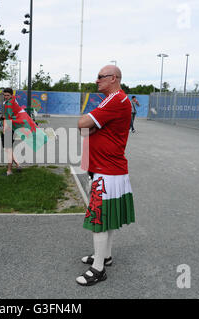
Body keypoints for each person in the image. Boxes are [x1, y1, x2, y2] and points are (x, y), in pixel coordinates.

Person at [76, 65, 135, 286]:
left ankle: (98, 269)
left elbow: (82, 124)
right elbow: (86, 129)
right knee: (107, 218)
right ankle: (105, 256)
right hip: (110, 169)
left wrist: (90, 127)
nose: (97, 80)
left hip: (106, 171)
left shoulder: (114, 99)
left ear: (114, 78)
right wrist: (90, 129)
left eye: (101, 77)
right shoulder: (116, 99)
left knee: (98, 220)